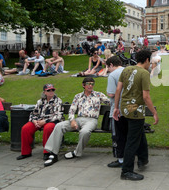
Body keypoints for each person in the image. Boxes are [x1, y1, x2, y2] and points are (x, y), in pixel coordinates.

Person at [112, 49, 159, 181]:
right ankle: (126, 171)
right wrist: (154, 113)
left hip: (124, 108)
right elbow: (146, 97)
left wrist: (116, 108)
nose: (150, 64)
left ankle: (143, 159)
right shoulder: (144, 73)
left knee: (138, 133)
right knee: (132, 141)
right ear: (147, 60)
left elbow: (118, 89)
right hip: (135, 111)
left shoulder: (126, 69)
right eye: (150, 61)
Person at [43, 78, 110, 166]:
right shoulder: (78, 96)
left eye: (92, 84)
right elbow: (72, 110)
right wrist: (72, 120)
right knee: (59, 126)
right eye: (88, 83)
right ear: (83, 85)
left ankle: (76, 152)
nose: (90, 86)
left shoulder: (98, 95)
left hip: (91, 120)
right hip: (78, 119)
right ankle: (53, 153)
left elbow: (110, 102)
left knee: (85, 132)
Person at [17, 84, 64, 160]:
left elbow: (58, 116)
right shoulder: (40, 101)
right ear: (44, 92)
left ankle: (47, 152)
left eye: (53, 90)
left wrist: (45, 121)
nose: (51, 92)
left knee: (48, 128)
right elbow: (33, 113)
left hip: (52, 121)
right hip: (39, 120)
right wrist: (34, 121)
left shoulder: (58, 101)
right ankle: (26, 152)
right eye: (48, 90)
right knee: (25, 128)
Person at [105, 56, 126, 168]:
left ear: (111, 65)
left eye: (107, 67)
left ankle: (121, 159)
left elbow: (111, 93)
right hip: (130, 108)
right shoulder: (128, 71)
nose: (107, 70)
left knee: (117, 135)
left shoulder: (113, 75)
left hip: (117, 109)